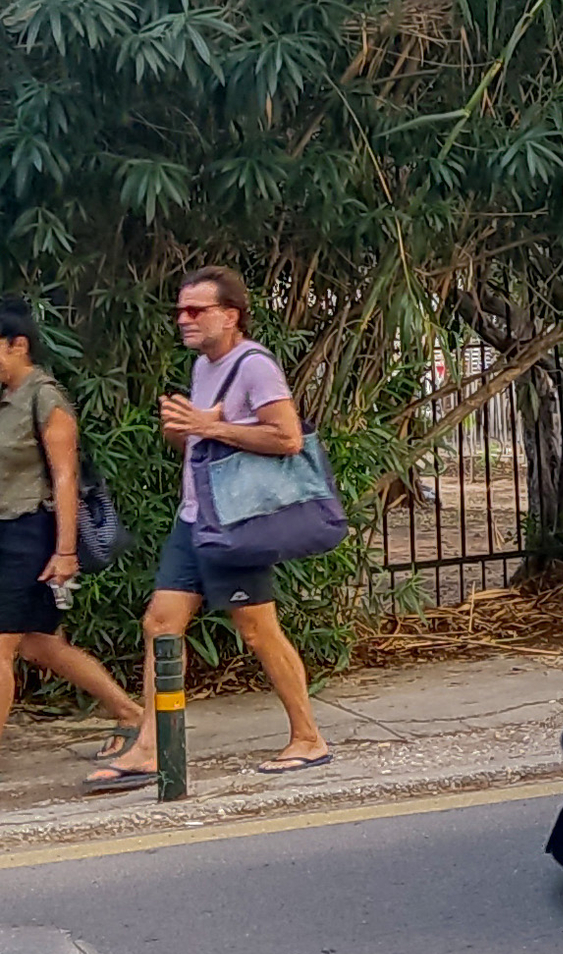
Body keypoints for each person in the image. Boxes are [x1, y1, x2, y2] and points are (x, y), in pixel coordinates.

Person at [88, 267, 333, 793]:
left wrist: (209, 426)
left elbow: (288, 438)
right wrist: (183, 432)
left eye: (195, 310)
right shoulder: (204, 367)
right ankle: (151, 748)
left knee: (256, 630)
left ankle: (309, 738)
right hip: (196, 519)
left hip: (236, 522)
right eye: (180, 310)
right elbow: (206, 445)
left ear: (230, 314)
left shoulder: (255, 366)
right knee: (160, 623)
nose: (183, 319)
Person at [0, 301, 148, 763]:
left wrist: (65, 553)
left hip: (31, 533)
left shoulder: (46, 397)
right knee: (39, 646)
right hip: (5, 531)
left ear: (17, 345)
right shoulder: (4, 398)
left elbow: (66, 478)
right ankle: (130, 712)